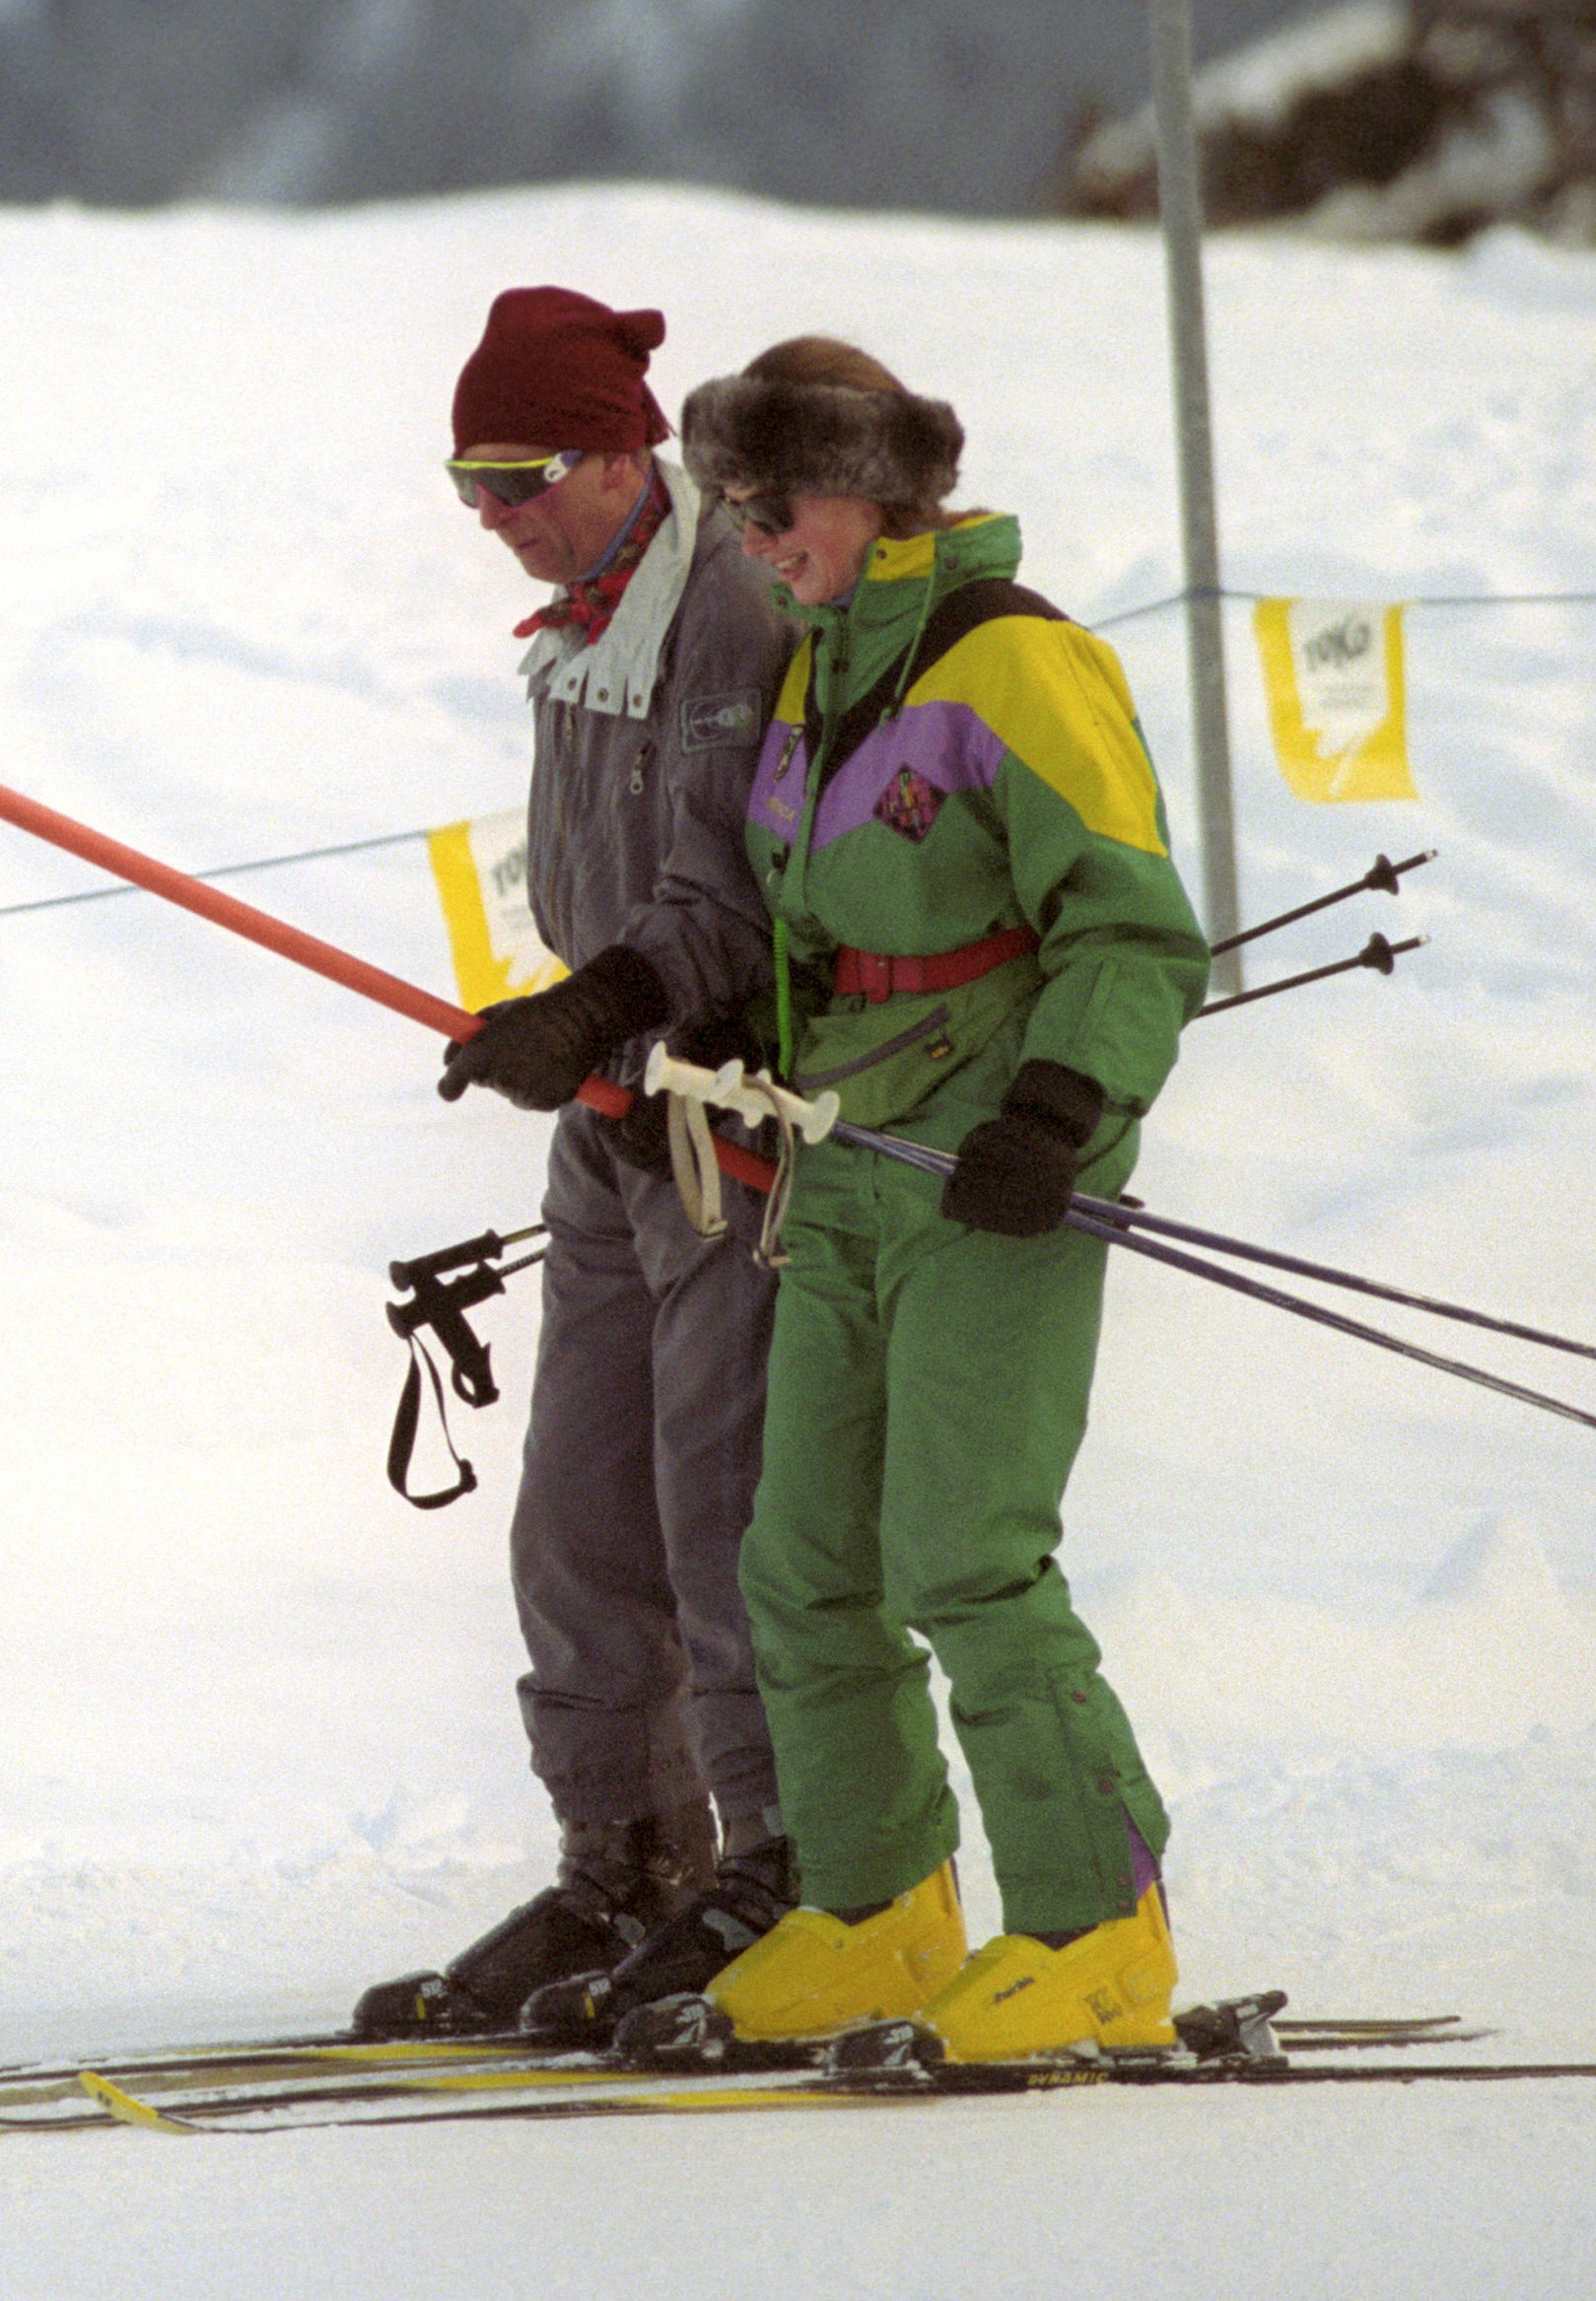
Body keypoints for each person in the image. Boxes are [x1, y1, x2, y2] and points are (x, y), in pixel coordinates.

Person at [666, 339, 1210, 2059]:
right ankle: (881, 1902)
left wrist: (1055, 1108)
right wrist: (711, 1046)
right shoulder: (814, 674)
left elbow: (1126, 921)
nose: (757, 540)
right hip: (846, 1148)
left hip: (993, 1155)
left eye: (779, 505)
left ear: (878, 491)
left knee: (964, 1553)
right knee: (805, 1559)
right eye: (733, 512)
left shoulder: (1013, 662)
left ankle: (1095, 1923)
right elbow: (802, 922)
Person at [352, 287, 800, 2043]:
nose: (491, 512)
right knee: (572, 1513)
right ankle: (622, 1857)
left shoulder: (725, 608)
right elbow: (593, 888)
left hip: (717, 1117)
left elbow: (721, 898)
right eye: (465, 478)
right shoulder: (577, 622)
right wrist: (561, 1020)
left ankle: (777, 1856)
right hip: (603, 1113)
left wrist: (596, 1001)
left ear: (623, 453)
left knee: (715, 1503)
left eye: (519, 472)